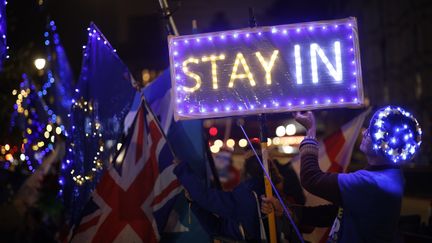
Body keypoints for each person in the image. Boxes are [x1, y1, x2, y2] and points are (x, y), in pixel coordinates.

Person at [261, 106, 422, 243]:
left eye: (373, 132)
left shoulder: (373, 183)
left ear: (385, 146)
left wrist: (310, 133)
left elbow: (311, 178)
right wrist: (285, 211)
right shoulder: (390, 175)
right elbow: (335, 213)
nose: (365, 132)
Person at [174, 151, 284, 242]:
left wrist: (183, 170)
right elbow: (219, 228)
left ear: (246, 171)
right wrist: (195, 203)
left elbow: (205, 197)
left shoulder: (246, 197)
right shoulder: (275, 196)